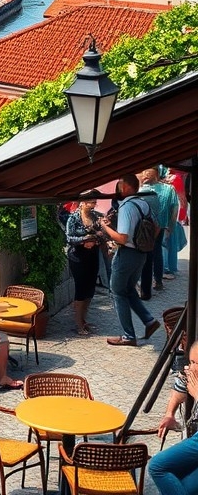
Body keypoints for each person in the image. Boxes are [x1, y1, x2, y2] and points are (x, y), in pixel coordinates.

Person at [99, 174, 160, 346]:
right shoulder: (143, 204)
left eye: (119, 185)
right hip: (141, 254)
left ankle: (128, 335)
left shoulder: (127, 207)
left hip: (127, 254)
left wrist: (105, 227)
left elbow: (122, 238)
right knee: (129, 290)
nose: (117, 188)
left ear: (125, 187)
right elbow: (156, 227)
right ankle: (149, 321)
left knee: (117, 292)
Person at [150, 340, 198, 494]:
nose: (192, 367)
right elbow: (179, 390)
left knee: (157, 466)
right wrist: (169, 414)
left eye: (196, 363)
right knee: (185, 487)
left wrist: (197, 394)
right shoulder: (192, 374)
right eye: (191, 361)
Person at [65, 190, 104, 334]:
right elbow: (69, 238)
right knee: (81, 289)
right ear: (84, 202)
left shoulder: (95, 217)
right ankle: (78, 323)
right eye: (92, 202)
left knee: (90, 289)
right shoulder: (73, 218)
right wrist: (84, 240)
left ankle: (84, 319)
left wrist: (97, 238)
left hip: (92, 255)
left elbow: (101, 235)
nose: (94, 205)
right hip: (78, 257)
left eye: (95, 202)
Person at [139, 166, 179, 296]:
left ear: (156, 173)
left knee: (155, 252)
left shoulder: (168, 189)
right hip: (142, 227)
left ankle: (157, 280)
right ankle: (144, 280)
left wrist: (170, 226)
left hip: (159, 226)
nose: (144, 174)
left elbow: (174, 208)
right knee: (145, 252)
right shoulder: (140, 189)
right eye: (143, 171)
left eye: (147, 171)